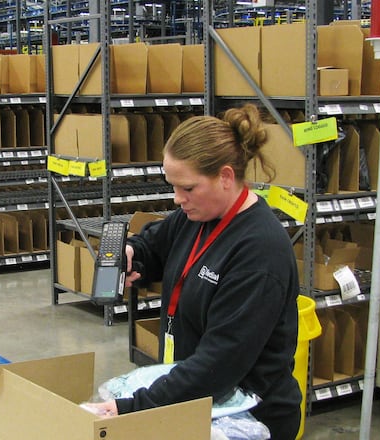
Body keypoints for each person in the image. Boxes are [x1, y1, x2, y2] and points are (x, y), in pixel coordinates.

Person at [85, 104, 301, 439]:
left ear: (225, 177)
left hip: (246, 418)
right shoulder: (197, 215)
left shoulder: (260, 252)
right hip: (195, 397)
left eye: (187, 188)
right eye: (173, 186)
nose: (177, 199)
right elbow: (155, 245)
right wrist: (132, 255)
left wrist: (135, 407)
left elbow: (219, 363)